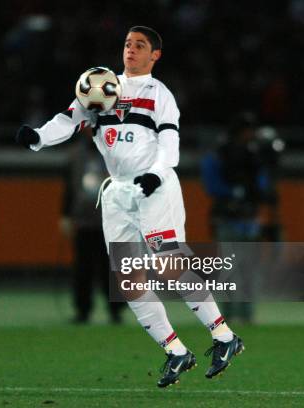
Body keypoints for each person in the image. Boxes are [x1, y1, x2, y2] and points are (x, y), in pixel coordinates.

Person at [16, 26, 243, 388]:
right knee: (127, 278)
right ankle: (175, 351)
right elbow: (69, 119)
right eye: (127, 44)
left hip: (154, 187)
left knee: (169, 266)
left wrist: (156, 174)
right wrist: (39, 138)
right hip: (117, 193)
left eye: (140, 46)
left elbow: (170, 140)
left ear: (155, 55)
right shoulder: (101, 84)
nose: (131, 50)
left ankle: (225, 337)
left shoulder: (159, 94)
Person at [201, 113, 283, 323]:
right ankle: (228, 314)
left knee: (248, 267)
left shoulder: (252, 154)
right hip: (228, 216)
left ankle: (246, 314)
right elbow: (211, 183)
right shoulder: (222, 154)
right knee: (229, 268)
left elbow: (263, 183)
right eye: (247, 129)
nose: (250, 134)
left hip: (248, 217)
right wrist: (236, 194)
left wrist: (253, 195)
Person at [61, 133, 124, 324]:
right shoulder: (74, 154)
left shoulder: (117, 151)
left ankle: (115, 310)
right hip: (83, 220)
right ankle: (83, 310)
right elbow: (69, 187)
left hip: (111, 219)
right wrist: (65, 215)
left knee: (112, 268)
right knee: (83, 268)